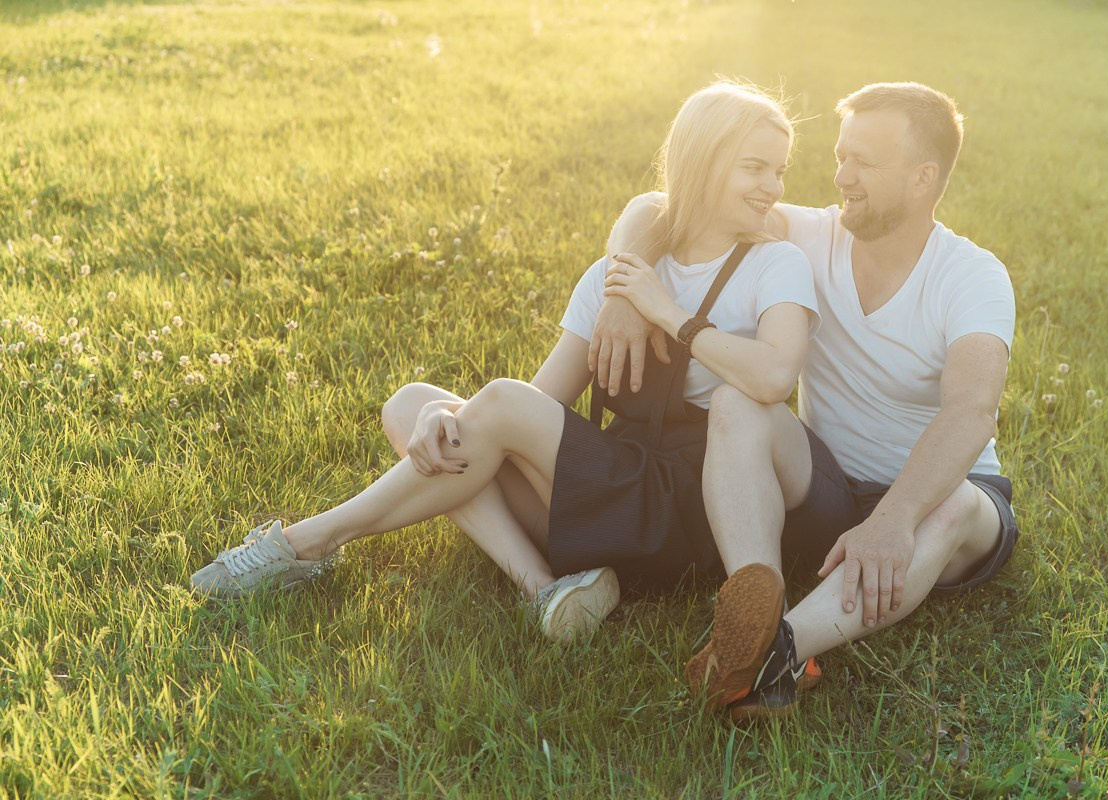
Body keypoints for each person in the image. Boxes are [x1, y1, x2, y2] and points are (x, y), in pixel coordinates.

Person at [190, 81, 821, 646]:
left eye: (779, 171)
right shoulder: (611, 277)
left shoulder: (775, 265)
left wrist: (664, 310)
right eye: (755, 167)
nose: (773, 188)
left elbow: (775, 377)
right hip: (614, 491)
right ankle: (545, 588)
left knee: (484, 407)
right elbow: (542, 400)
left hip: (692, 511)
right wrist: (454, 417)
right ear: (702, 163)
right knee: (413, 407)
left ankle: (309, 541)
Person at [599, 82, 1017, 720]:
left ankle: (776, 649)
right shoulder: (811, 237)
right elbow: (662, 206)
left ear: (923, 178)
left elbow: (971, 412)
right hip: (827, 488)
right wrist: (623, 290)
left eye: (864, 163)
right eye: (841, 156)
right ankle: (752, 599)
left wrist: (893, 519)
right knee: (739, 403)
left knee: (954, 504)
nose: (841, 176)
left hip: (939, 497)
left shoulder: (972, 275)